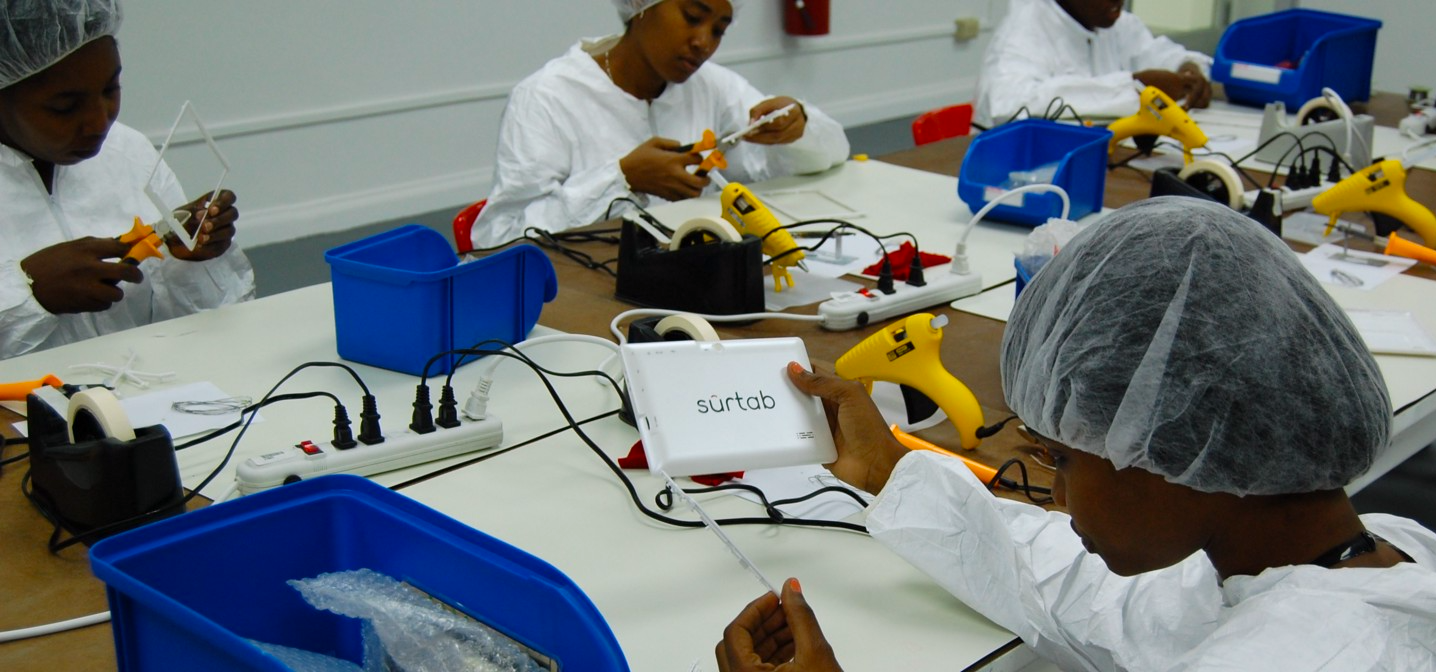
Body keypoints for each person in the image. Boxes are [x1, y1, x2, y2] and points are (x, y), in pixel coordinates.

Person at [716, 198, 1436, 671]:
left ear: (1175, 444)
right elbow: (1089, 596)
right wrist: (886, 468)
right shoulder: (1351, 556)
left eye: (1061, 458)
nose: (1056, 497)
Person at [471, 0, 850, 249]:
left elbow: (830, 154)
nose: (703, 42)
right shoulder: (546, 98)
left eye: (719, 30)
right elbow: (499, 239)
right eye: (692, 17)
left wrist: (799, 125)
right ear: (641, 7)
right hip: (575, 298)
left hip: (690, 280)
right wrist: (621, 179)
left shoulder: (711, 87)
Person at [1, 0, 254, 360]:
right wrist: (27, 293)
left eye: (110, 89)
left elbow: (207, 325)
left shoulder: (128, 153)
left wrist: (189, 263)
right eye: (64, 107)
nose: (99, 123)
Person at [974, 0, 1213, 128]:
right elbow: (1008, 106)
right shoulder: (1024, 30)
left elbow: (1158, 53)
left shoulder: (1116, 23)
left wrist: (1188, 69)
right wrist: (1133, 86)